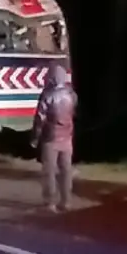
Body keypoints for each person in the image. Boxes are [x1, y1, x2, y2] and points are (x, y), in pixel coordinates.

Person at [31, 63, 77, 212]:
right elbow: (74, 112)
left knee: (50, 171)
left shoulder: (48, 95)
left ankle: (50, 202)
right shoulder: (71, 94)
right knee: (66, 170)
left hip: (50, 138)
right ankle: (66, 201)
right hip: (67, 137)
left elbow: (40, 119)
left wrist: (35, 138)